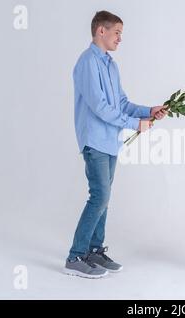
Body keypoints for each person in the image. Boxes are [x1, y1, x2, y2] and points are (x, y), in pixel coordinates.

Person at [64, 10, 167, 279]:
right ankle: (75, 256)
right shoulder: (88, 61)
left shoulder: (110, 64)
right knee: (99, 196)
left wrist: (148, 111)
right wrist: (135, 124)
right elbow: (99, 106)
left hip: (110, 141)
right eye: (117, 32)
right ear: (101, 31)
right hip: (95, 140)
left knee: (104, 199)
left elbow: (120, 104)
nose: (120, 38)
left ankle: (94, 250)